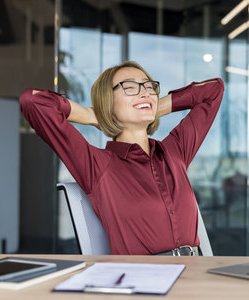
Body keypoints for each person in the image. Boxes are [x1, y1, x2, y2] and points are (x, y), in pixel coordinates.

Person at [20, 61, 224, 255]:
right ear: (107, 102)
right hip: (144, 282)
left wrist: (152, 107)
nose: (145, 92)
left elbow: (213, 90)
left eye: (149, 87)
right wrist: (92, 115)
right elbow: (33, 101)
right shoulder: (97, 165)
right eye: (130, 87)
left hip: (196, 274)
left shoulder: (175, 152)